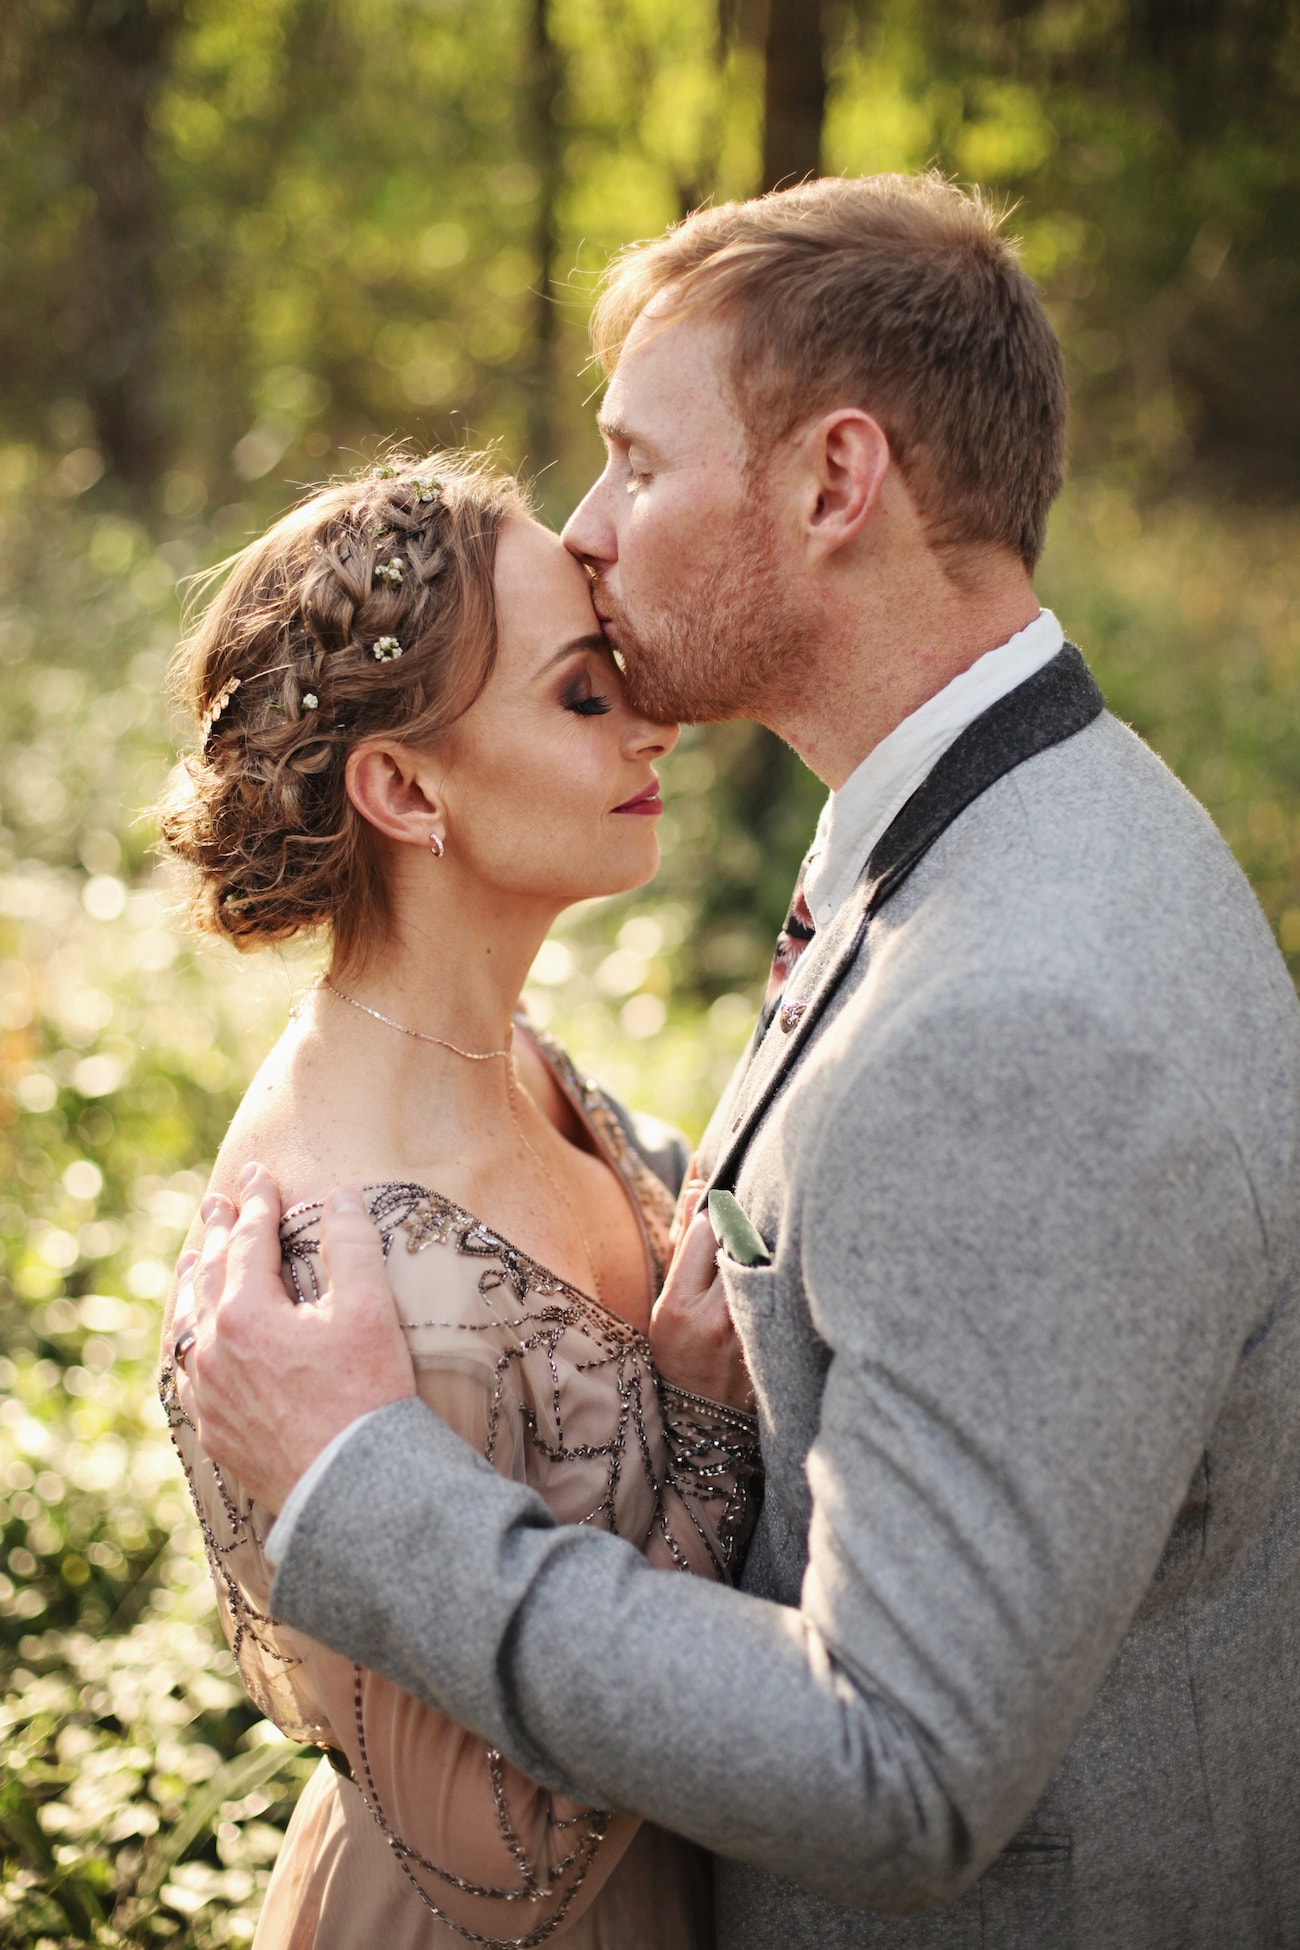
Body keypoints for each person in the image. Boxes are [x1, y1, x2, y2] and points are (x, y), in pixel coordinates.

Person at [175, 172, 1300, 1949]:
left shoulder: (1025, 1012)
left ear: (834, 483)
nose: (590, 526)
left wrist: (361, 1487)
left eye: (637, 458)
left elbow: (903, 1768)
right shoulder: (989, 810)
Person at [157, 451, 762, 1948]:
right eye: (582, 693)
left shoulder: (512, 1058)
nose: (657, 721)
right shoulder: (349, 1266)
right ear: (404, 785)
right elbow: (513, 1845)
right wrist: (706, 1426)